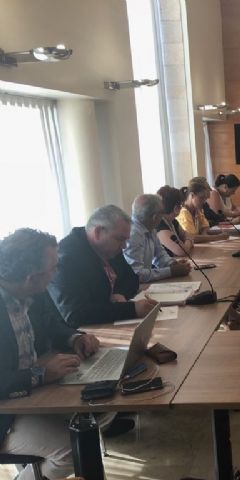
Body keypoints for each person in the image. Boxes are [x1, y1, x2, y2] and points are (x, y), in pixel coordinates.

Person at [0, 228, 100, 480]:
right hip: (4, 413)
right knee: (71, 448)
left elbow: (51, 323)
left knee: (96, 410)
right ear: (32, 278)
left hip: (33, 396)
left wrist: (75, 338)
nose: (57, 272)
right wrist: (41, 374)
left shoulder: (32, 289)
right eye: (54, 267)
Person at [50, 205, 157, 327]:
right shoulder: (67, 258)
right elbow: (75, 314)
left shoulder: (109, 247)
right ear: (98, 232)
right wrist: (131, 309)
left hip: (110, 324)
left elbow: (132, 279)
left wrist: (121, 293)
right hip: (81, 333)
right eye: (120, 239)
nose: (124, 246)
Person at [123, 194, 192, 283]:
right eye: (161, 215)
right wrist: (171, 271)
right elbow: (137, 275)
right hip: (135, 287)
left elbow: (160, 255)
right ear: (155, 217)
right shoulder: (132, 235)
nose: (162, 218)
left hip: (146, 283)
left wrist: (173, 264)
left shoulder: (149, 228)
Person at [156, 185, 195, 257]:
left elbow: (188, 235)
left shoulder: (173, 221)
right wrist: (189, 241)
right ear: (176, 208)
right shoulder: (160, 226)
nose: (182, 208)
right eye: (181, 205)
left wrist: (187, 242)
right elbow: (181, 251)